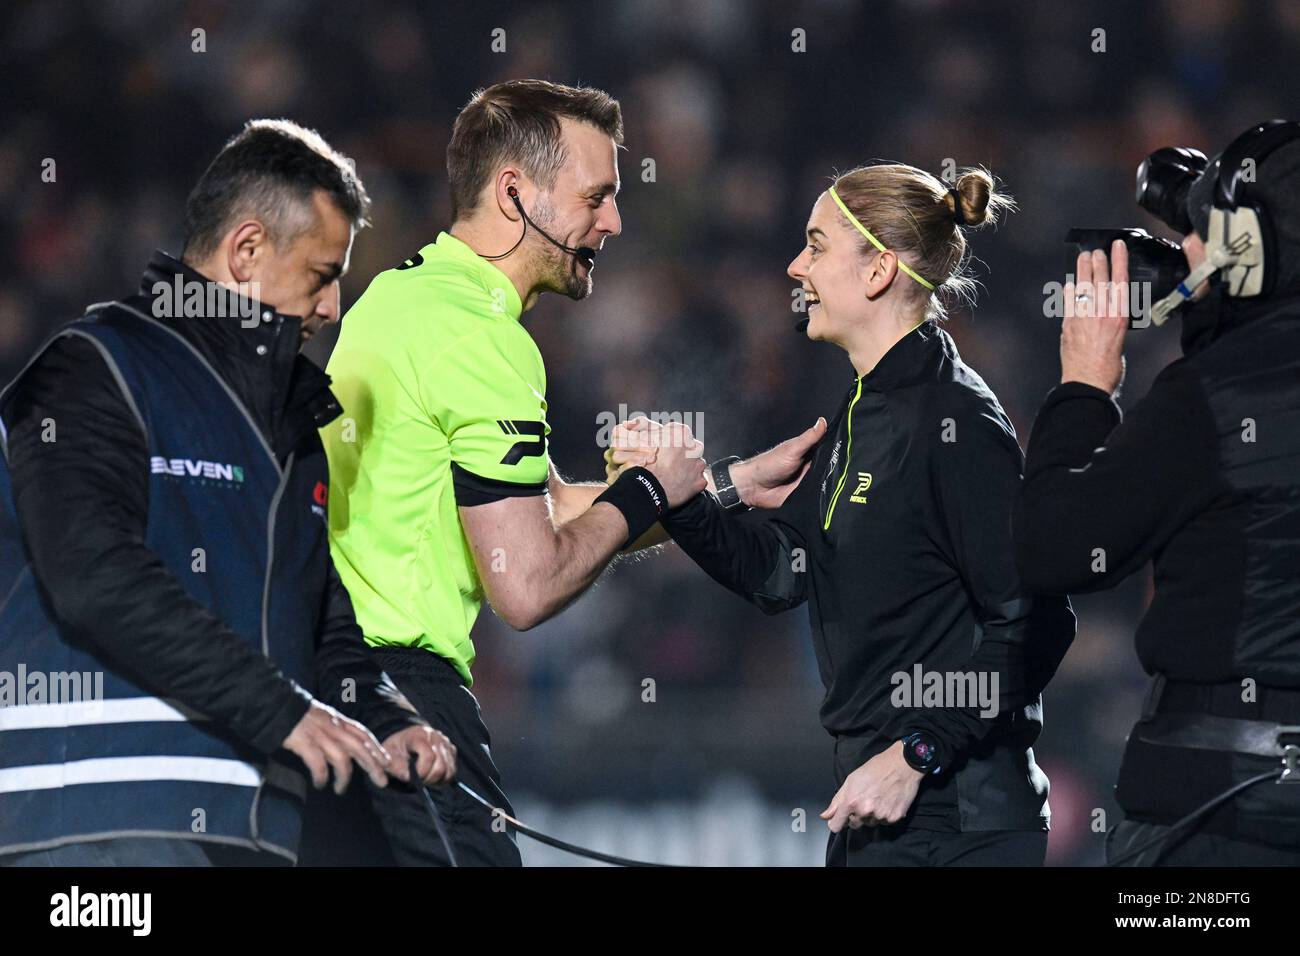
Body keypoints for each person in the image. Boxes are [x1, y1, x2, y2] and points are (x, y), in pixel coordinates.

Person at [320, 79, 819, 866]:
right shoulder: (480, 337)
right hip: (406, 695)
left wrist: (716, 488)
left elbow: (549, 508)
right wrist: (651, 485)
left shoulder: (402, 299)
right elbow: (527, 582)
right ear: (515, 192)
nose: (614, 220)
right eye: (597, 196)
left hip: (335, 693)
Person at [0, 119, 455, 867]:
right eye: (320, 275)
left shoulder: (294, 430)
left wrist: (383, 717)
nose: (334, 307)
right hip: (92, 813)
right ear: (246, 251)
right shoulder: (95, 369)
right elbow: (94, 577)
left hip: (240, 829)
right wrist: (282, 711)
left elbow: (324, 631)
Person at [613, 163, 1076, 866]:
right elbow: (778, 574)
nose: (796, 266)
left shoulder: (956, 420)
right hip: (884, 810)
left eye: (817, 245)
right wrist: (679, 499)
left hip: (956, 817)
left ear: (878, 270)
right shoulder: (863, 410)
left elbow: (1037, 621)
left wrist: (920, 752)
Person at [1012, 120, 1300, 866]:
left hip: (1221, 811)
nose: (1186, 256)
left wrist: (1083, 385)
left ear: (1251, 248)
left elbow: (1054, 548)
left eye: (1202, 232)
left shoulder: (1213, 395)